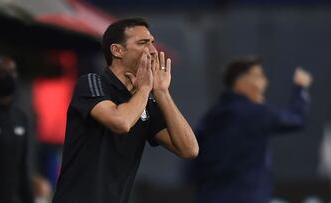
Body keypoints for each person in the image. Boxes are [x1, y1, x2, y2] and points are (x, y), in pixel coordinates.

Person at [52, 18, 199, 203]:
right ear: (117, 51)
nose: (153, 51)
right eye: (143, 43)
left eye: (152, 43)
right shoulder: (92, 83)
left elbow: (189, 150)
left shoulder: (145, 101)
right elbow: (120, 122)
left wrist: (162, 92)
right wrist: (145, 89)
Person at [192, 57, 312, 203]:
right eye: (259, 77)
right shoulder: (256, 114)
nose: (265, 82)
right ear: (240, 83)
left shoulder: (210, 117)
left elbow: (191, 163)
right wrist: (300, 89)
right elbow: (296, 119)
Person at [0, 56, 33, 203]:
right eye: (3, 73)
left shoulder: (20, 117)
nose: (9, 77)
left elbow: (23, 166)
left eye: (12, 72)